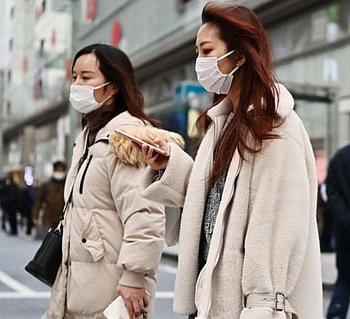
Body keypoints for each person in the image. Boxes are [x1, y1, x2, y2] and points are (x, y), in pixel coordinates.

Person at [139, 3, 322, 318]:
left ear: (240, 55)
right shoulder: (221, 123)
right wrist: (169, 165)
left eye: (208, 50)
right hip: (212, 301)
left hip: (248, 308)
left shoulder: (275, 125)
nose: (200, 61)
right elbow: (216, 199)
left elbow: (275, 227)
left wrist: (261, 306)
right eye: (197, 52)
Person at [42, 43, 185, 319]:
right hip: (80, 290)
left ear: (113, 86)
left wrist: (134, 277)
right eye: (74, 77)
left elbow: (144, 215)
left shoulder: (125, 140)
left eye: (86, 77)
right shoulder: (89, 137)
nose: (77, 84)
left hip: (112, 295)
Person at [325, 143, 350, 319]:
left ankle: (335, 315)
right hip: (344, 230)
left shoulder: (340, 157)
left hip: (345, 232)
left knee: (344, 278)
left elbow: (331, 193)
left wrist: (345, 218)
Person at [32, 161, 66, 232]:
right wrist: (35, 215)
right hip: (48, 219)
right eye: (57, 170)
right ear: (53, 170)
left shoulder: (68, 185)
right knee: (49, 241)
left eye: (61, 171)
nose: (59, 173)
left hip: (64, 220)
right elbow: (38, 201)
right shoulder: (46, 185)